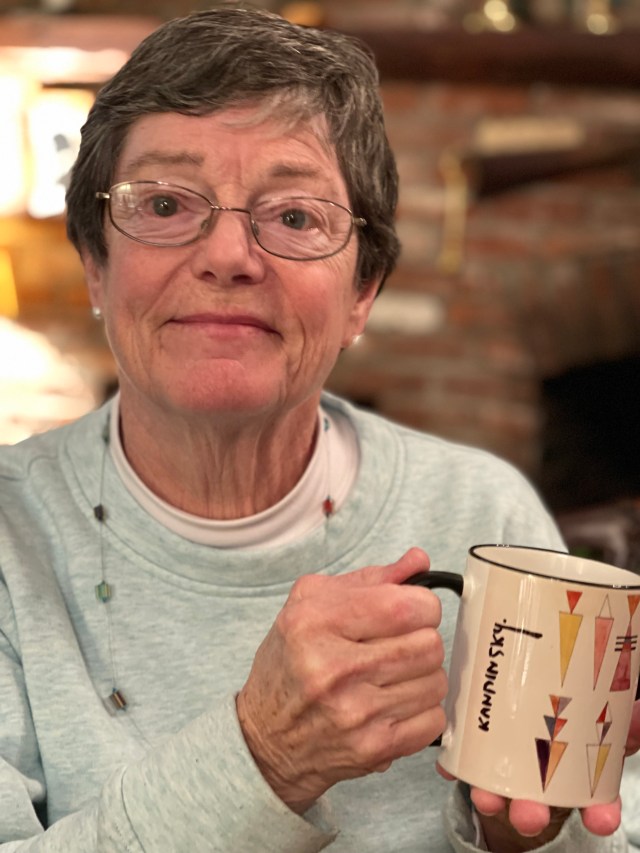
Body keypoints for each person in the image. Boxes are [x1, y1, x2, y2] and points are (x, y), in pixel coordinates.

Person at [0, 5, 638, 851]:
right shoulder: (11, 536)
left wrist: (523, 837)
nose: (228, 256)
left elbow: (597, 827)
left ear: (362, 293)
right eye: (165, 202)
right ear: (95, 264)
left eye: (295, 216)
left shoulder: (479, 506)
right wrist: (264, 754)